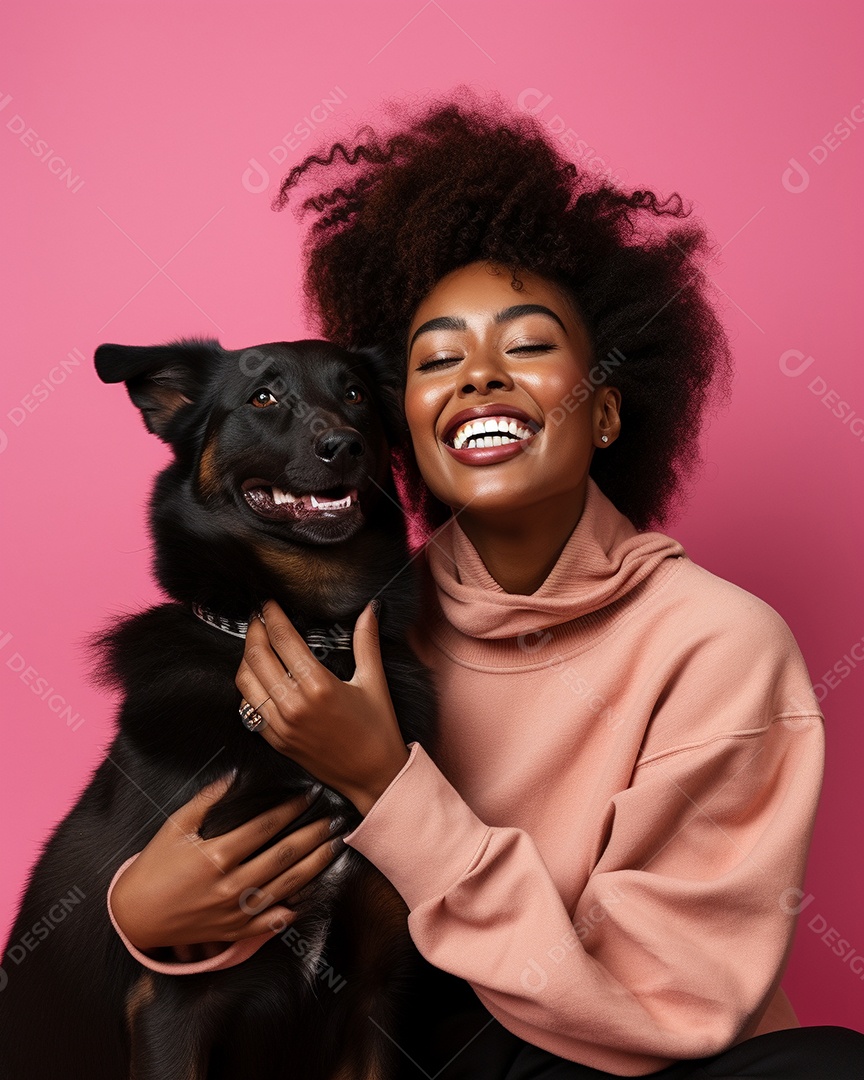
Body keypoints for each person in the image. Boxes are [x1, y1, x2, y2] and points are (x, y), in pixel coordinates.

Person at [106, 89, 864, 1077]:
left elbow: (663, 1009)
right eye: (437, 361)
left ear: (606, 414)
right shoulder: (355, 628)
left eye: (529, 345)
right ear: (404, 427)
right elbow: (311, 944)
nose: (478, 376)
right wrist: (140, 909)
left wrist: (387, 784)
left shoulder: (719, 647)